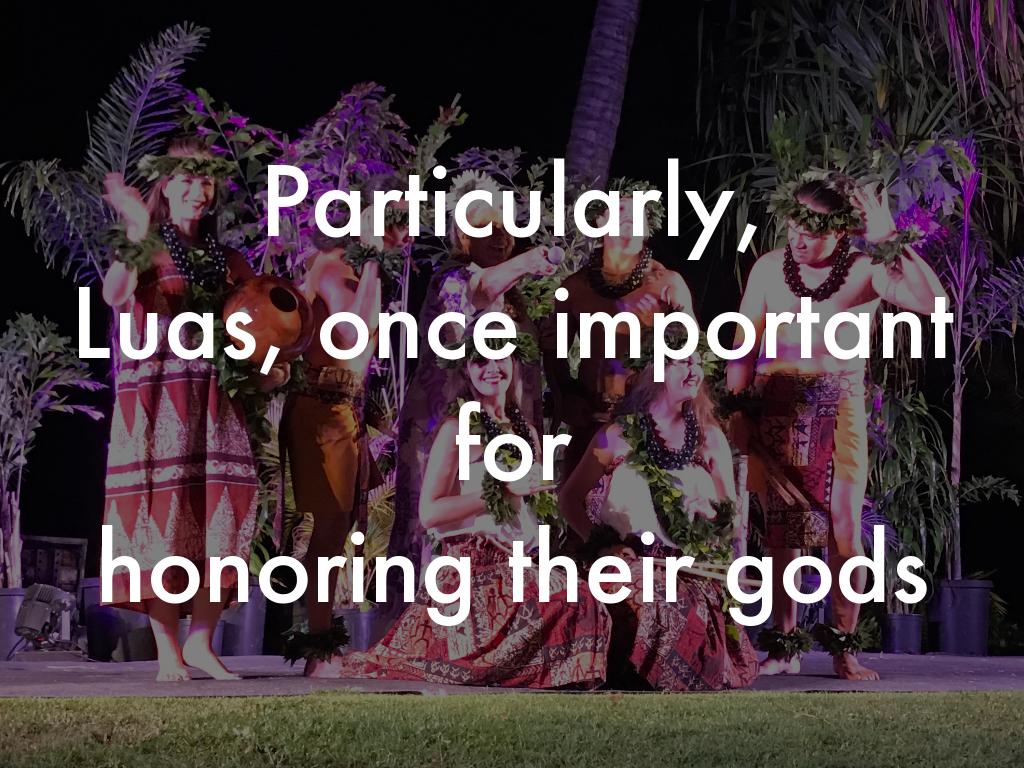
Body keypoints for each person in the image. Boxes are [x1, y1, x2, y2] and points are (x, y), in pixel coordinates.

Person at [727, 176, 948, 680]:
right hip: (776, 404)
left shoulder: (866, 269)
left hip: (839, 406)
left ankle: (844, 649)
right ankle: (784, 646)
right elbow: (742, 344)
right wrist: (736, 410)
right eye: (792, 228)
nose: (798, 239)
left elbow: (934, 303)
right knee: (783, 532)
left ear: (842, 231)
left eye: (811, 231)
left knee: (843, 529)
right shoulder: (768, 269)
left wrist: (889, 237)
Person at [336, 347, 611, 687]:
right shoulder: (457, 429)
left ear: (514, 362)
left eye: (500, 357)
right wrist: (500, 492)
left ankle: (544, 675)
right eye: (480, 360)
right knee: (567, 601)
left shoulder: (526, 432)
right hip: (472, 564)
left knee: (584, 599)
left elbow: (529, 508)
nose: (491, 368)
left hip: (521, 563)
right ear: (466, 369)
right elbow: (430, 513)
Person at [100, 136, 262, 681]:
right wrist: (135, 228)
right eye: (187, 179)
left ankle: (201, 642)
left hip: (216, 399)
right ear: (166, 187)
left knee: (222, 511)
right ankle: (167, 648)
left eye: (207, 179)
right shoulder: (146, 247)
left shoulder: (230, 260)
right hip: (155, 398)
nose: (199, 190)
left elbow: (257, 325)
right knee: (160, 516)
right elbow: (114, 294)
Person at [390, 192, 557, 593]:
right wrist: (527, 262)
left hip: (506, 418)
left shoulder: (513, 296)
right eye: (487, 228)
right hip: (449, 423)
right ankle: (429, 609)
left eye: (505, 228)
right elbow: (479, 290)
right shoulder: (454, 279)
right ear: (463, 236)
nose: (500, 237)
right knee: (432, 522)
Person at [560, 352, 758, 691]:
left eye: (697, 362)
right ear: (654, 370)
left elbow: (732, 516)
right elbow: (569, 498)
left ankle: (659, 672)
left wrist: (712, 514)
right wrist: (603, 546)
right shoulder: (617, 435)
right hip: (626, 563)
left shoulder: (709, 438)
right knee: (641, 593)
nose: (694, 370)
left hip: (688, 571)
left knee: (670, 599)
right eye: (682, 362)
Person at [277, 205, 392, 676]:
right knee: (328, 527)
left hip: (339, 407)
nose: (403, 233)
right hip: (321, 410)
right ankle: (317, 647)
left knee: (334, 528)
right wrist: (373, 262)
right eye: (394, 222)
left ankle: (320, 642)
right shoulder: (333, 267)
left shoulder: (347, 270)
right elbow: (350, 334)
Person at [545, 189, 695, 476]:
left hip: (653, 424)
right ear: (599, 221)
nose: (630, 217)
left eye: (638, 212)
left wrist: (662, 330)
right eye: (621, 209)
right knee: (579, 500)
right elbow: (554, 354)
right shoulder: (574, 288)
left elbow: (694, 355)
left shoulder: (668, 284)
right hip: (593, 422)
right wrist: (567, 399)